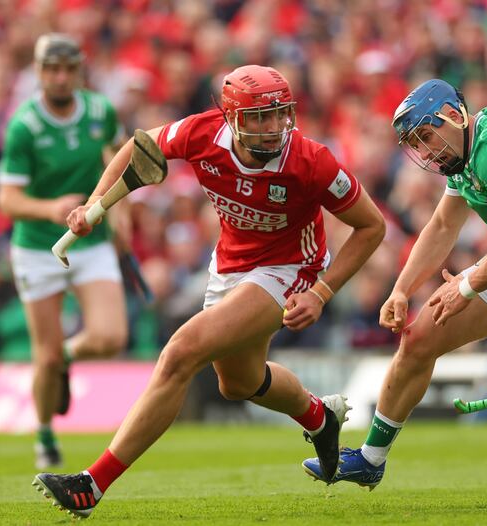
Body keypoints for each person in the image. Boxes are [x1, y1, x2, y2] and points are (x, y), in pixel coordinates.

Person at [32, 65, 385, 519]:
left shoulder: (311, 161)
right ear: (232, 119)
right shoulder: (201, 133)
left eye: (280, 115)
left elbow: (371, 226)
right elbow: (139, 148)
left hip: (288, 268)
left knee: (181, 351)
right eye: (260, 117)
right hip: (229, 265)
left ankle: (92, 483)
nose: (274, 127)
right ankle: (320, 416)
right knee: (238, 383)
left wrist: (321, 291)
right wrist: (95, 203)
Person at [303, 79, 487, 504]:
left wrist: (465, 286)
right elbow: (444, 226)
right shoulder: (462, 155)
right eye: (417, 144)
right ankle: (371, 459)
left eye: (427, 137)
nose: (426, 152)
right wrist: (402, 289)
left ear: (453, 116)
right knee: (418, 339)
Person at [0, 33, 129, 470]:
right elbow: (8, 200)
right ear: (38, 72)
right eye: (50, 69)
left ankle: (68, 358)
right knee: (44, 354)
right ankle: (44, 434)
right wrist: (49, 207)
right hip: (37, 247)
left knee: (111, 337)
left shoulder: (99, 111)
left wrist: (122, 216)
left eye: (67, 69)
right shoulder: (24, 126)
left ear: (79, 70)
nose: (59, 77)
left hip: (91, 239)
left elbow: (118, 162)